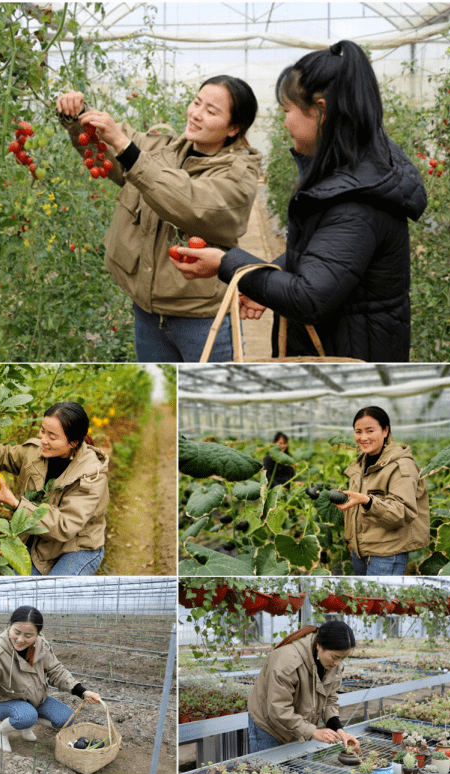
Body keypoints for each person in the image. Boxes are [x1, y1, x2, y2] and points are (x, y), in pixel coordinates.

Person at [171, 40, 427, 362]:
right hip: (345, 346)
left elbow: (309, 297)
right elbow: (325, 255)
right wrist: (266, 272)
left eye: (287, 111)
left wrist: (227, 264)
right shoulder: (355, 172)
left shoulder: (357, 202)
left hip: (348, 361)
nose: (284, 122)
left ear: (320, 111)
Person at [55, 76, 261, 362]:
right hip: (147, 314)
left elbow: (189, 202)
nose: (196, 114)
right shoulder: (165, 150)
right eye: (196, 102)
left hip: (201, 320)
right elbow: (112, 151)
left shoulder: (238, 175)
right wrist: (77, 116)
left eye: (211, 111)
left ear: (234, 128)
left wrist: (126, 148)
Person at [0, 401, 109, 576]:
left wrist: (15, 503)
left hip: (78, 546)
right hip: (41, 541)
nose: (43, 440)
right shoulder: (36, 452)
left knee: (51, 595)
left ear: (73, 442)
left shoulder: (91, 475)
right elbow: (8, 456)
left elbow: (64, 526)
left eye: (52, 437)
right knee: (18, 591)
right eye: (42, 431)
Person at [0, 606, 101, 762]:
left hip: (33, 698)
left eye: (28, 635)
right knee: (27, 715)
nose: (20, 639)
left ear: (38, 634)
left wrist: (82, 692)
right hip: (2, 702)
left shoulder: (40, 645)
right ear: (9, 626)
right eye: (16, 632)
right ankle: (2, 732)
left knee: (67, 718)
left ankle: (25, 723)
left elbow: (56, 670)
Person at [336, 406, 430, 576]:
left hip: (387, 554)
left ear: (385, 431)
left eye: (370, 431)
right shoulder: (360, 464)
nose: (363, 437)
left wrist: (368, 502)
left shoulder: (401, 466)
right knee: (363, 600)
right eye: (358, 431)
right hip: (360, 551)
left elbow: (402, 512)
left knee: (379, 601)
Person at [248, 621, 360, 752]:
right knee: (271, 771)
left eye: (343, 658)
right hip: (269, 726)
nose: (338, 663)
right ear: (319, 645)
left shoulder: (331, 664)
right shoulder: (288, 661)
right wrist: (313, 731)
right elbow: (278, 709)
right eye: (335, 657)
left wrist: (339, 730)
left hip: (296, 724)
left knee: (298, 771)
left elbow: (329, 699)